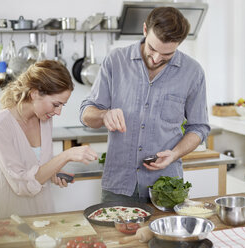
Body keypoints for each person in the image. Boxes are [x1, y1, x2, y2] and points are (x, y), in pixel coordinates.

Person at [80, 7, 210, 202]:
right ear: (144, 30)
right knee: (113, 234)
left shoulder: (193, 72)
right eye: (152, 48)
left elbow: (199, 127)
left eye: (167, 54)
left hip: (166, 187)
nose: (156, 59)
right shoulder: (115, 61)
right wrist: (103, 115)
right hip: (119, 185)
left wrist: (174, 154)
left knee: (163, 234)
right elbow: (85, 113)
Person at [0, 60, 98, 218]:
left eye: (62, 106)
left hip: (46, 216)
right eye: (56, 104)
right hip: (14, 222)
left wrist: (53, 171)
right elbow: (22, 185)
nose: (58, 112)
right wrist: (66, 155)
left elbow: (38, 166)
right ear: (34, 93)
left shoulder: (45, 119)